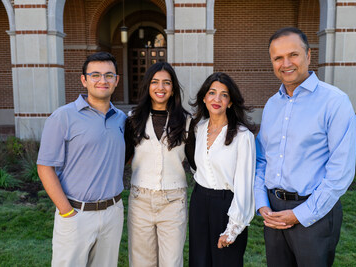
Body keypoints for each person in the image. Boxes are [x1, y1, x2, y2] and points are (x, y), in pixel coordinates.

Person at [254, 27, 356, 267]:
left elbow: (340, 173)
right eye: (278, 58)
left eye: (293, 55)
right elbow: (262, 159)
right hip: (273, 213)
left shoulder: (334, 102)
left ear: (308, 56)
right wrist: (262, 203)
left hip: (314, 215)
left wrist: (300, 215)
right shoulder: (272, 104)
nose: (285, 63)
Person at [37, 51, 126, 267]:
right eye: (95, 75)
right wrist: (66, 211)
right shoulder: (63, 116)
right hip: (76, 213)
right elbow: (45, 167)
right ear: (84, 80)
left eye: (108, 75)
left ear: (116, 81)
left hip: (113, 213)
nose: (102, 80)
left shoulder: (122, 119)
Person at [124, 62, 192, 267]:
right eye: (155, 82)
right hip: (140, 200)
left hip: (173, 201)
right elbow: (124, 157)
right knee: (141, 262)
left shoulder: (187, 121)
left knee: (171, 262)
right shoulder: (133, 119)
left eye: (166, 83)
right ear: (148, 86)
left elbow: (197, 161)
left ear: (173, 89)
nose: (160, 87)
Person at [188, 72, 256, 267]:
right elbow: (199, 167)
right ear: (204, 97)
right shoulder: (198, 128)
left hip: (227, 205)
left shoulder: (243, 136)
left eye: (224, 94)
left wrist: (233, 227)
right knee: (199, 261)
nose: (217, 99)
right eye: (212, 92)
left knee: (226, 261)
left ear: (231, 102)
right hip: (199, 202)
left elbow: (244, 184)